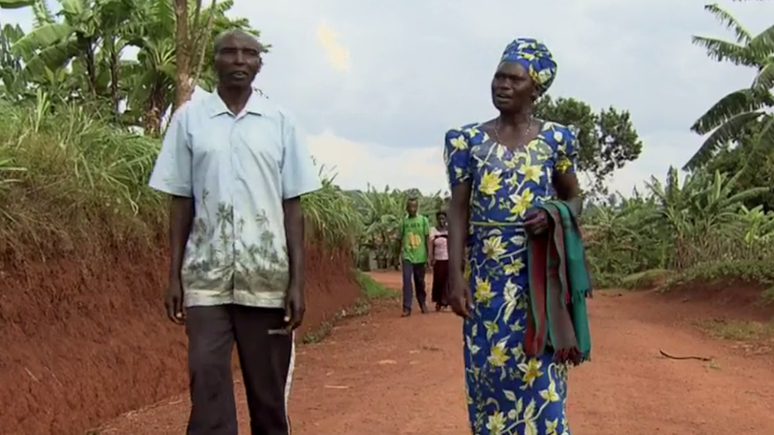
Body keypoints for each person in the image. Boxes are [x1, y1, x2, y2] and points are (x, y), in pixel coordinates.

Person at [148, 29, 321, 435]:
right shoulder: (190, 120)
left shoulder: (279, 122)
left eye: (250, 54)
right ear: (215, 60)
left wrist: (298, 281)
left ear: (259, 64)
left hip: (267, 282)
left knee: (267, 396)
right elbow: (180, 200)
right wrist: (174, 274)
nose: (240, 60)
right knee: (206, 382)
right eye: (230, 52)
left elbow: (292, 206)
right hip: (204, 280)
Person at [444, 38, 583, 435]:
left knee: (543, 383)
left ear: (535, 89)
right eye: (498, 76)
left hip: (538, 283)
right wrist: (455, 276)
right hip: (487, 286)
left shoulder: (557, 140)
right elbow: (458, 209)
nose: (501, 85)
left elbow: (573, 197)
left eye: (514, 79)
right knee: (489, 381)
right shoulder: (464, 140)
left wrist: (554, 214)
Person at [399, 197, 430, 316]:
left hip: (420, 255)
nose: (412, 209)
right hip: (407, 255)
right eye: (410, 206)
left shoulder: (423, 220)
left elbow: (427, 238)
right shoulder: (403, 222)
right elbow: (399, 239)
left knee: (420, 281)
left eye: (414, 206)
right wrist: (398, 255)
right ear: (406, 208)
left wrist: (429, 255)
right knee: (407, 281)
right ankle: (407, 307)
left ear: (417, 207)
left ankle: (422, 303)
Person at [428, 210, 450, 312]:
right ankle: (438, 301)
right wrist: (431, 257)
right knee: (438, 281)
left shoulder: (449, 230)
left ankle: (445, 302)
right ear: (437, 219)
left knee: (447, 281)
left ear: (446, 219)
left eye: (443, 218)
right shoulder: (433, 230)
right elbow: (431, 244)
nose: (441, 221)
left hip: (448, 259)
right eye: (440, 219)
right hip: (438, 260)